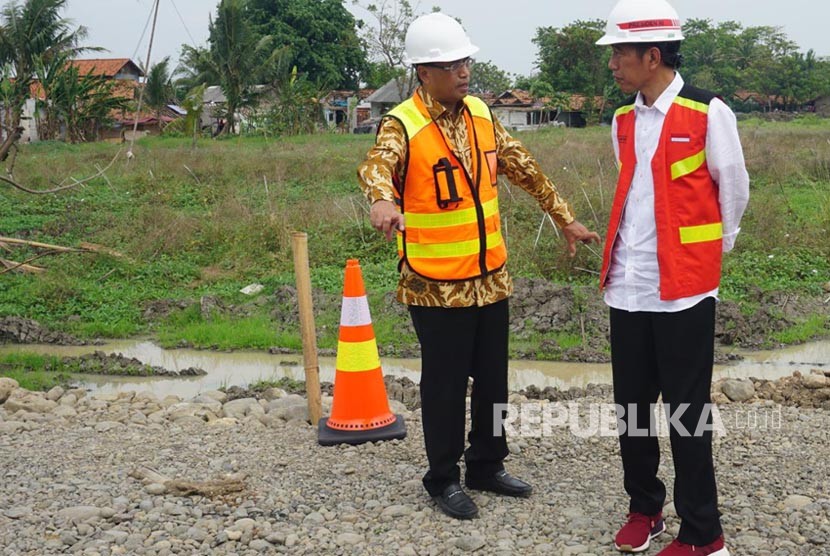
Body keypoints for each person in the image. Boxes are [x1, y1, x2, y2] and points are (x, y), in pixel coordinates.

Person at [357, 12, 600, 520]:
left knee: (492, 380)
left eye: (466, 61)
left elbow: (524, 168)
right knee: (445, 384)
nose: (463, 72)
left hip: (490, 278)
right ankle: (442, 479)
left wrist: (565, 219)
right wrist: (381, 200)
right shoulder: (402, 122)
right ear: (424, 71)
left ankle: (487, 465)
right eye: (451, 64)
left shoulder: (482, 115)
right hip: (436, 283)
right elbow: (377, 165)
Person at [595, 0, 750, 554]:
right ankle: (645, 509)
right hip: (628, 285)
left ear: (652, 55)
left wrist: (709, 252)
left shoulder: (709, 114)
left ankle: (704, 533)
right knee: (632, 412)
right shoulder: (622, 120)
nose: (612, 64)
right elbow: (636, 194)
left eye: (619, 53)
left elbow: (733, 188)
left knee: (687, 417)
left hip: (684, 293)